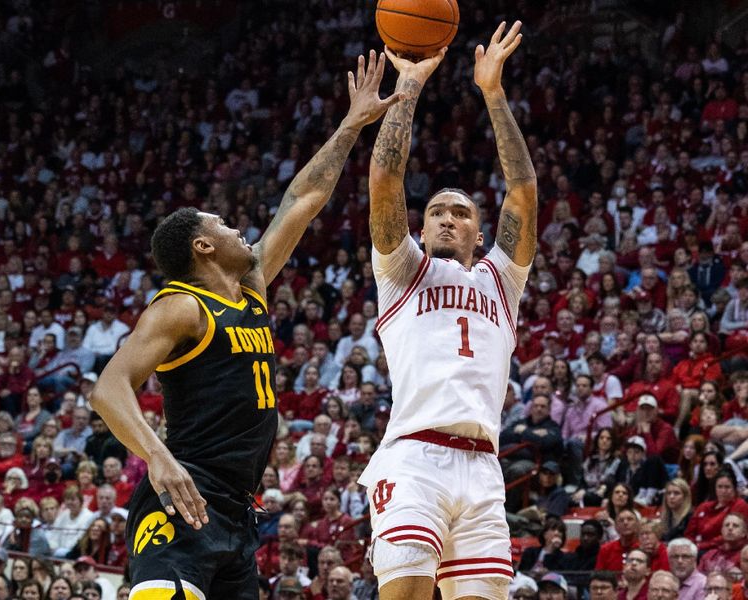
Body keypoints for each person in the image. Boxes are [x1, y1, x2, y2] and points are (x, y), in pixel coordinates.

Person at [89, 51, 400, 600]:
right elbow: (108, 387)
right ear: (203, 246)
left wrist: (352, 124)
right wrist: (157, 458)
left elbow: (302, 201)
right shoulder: (180, 306)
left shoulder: (251, 286)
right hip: (183, 497)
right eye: (225, 225)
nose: (239, 230)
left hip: (236, 511)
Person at [358, 21, 535, 600]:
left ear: (480, 234)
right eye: (435, 210)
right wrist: (408, 84)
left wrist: (493, 92)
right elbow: (385, 178)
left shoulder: (501, 279)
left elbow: (523, 189)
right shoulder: (403, 272)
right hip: (415, 458)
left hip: (484, 468)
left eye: (459, 212)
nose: (444, 217)